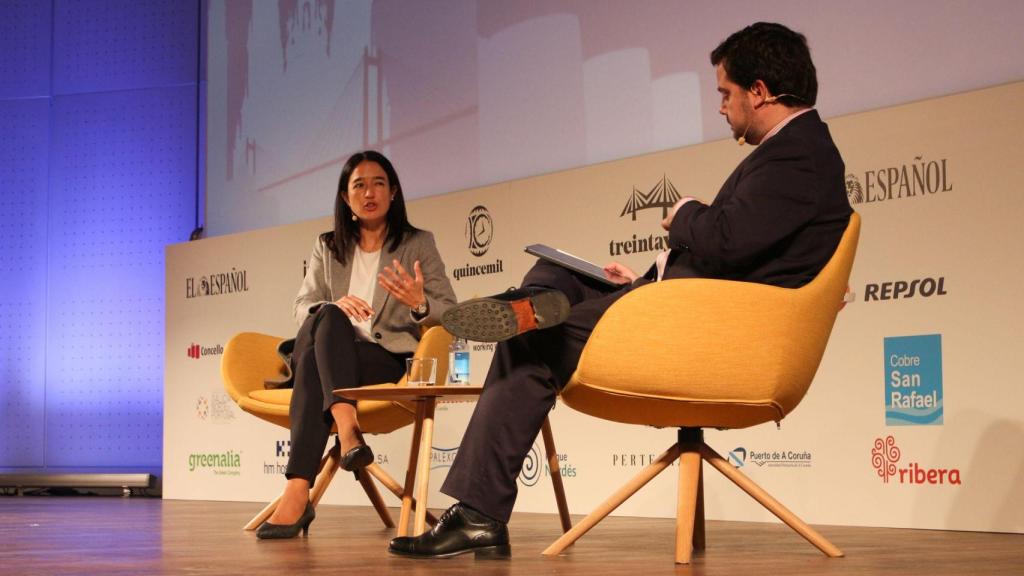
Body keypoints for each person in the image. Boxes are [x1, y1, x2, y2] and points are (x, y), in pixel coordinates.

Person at [388, 22, 853, 559]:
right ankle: (528, 304)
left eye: (725, 93)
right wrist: (642, 282)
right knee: (556, 276)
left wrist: (685, 213)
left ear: (760, 91)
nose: (721, 107)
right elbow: (743, 249)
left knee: (530, 338)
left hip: (704, 338)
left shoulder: (798, 155)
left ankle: (479, 513)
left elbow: (727, 241)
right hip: (683, 309)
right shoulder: (798, 153)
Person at [256, 150, 457, 539]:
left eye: (378, 184)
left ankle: (297, 492)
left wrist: (420, 303)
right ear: (345, 198)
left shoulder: (418, 243)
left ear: (393, 192)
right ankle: (349, 429)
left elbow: (449, 310)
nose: (369, 193)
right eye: (359, 185)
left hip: (382, 359)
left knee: (312, 362)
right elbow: (301, 306)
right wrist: (330, 307)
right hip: (331, 353)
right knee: (328, 316)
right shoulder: (328, 246)